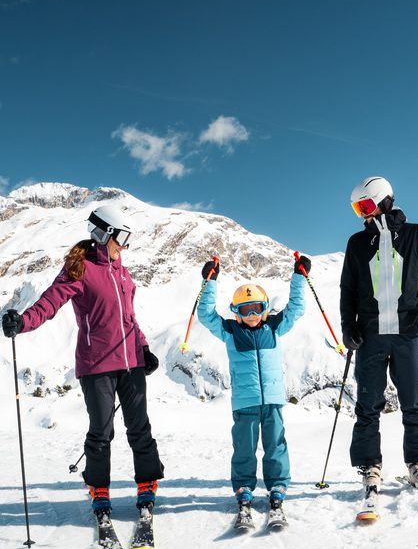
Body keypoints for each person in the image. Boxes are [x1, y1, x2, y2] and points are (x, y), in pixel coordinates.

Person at [1, 203, 164, 523]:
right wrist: (22, 321)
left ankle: (147, 483)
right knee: (101, 433)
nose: (126, 246)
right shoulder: (80, 268)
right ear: (106, 234)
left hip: (130, 362)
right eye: (123, 238)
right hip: (97, 365)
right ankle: (99, 490)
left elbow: (129, 317)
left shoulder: (122, 271)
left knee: (139, 428)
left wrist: (143, 348)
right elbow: (49, 303)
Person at [340, 176, 418, 501]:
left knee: (414, 401)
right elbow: (348, 290)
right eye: (358, 208)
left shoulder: (417, 235)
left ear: (384, 200)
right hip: (370, 336)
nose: (362, 214)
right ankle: (369, 467)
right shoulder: (357, 243)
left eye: (365, 206)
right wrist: (348, 326)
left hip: (408, 332)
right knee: (368, 404)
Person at [197, 256, 308, 527]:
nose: (251, 315)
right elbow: (206, 315)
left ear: (265, 309)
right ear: (236, 311)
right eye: (245, 310)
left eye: (256, 308)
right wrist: (209, 282)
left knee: (275, 446)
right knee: (244, 449)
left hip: (272, 401)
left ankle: (277, 490)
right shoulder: (230, 331)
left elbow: (295, 309)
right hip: (244, 403)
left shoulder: (274, 327)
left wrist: (299, 277)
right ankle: (244, 491)